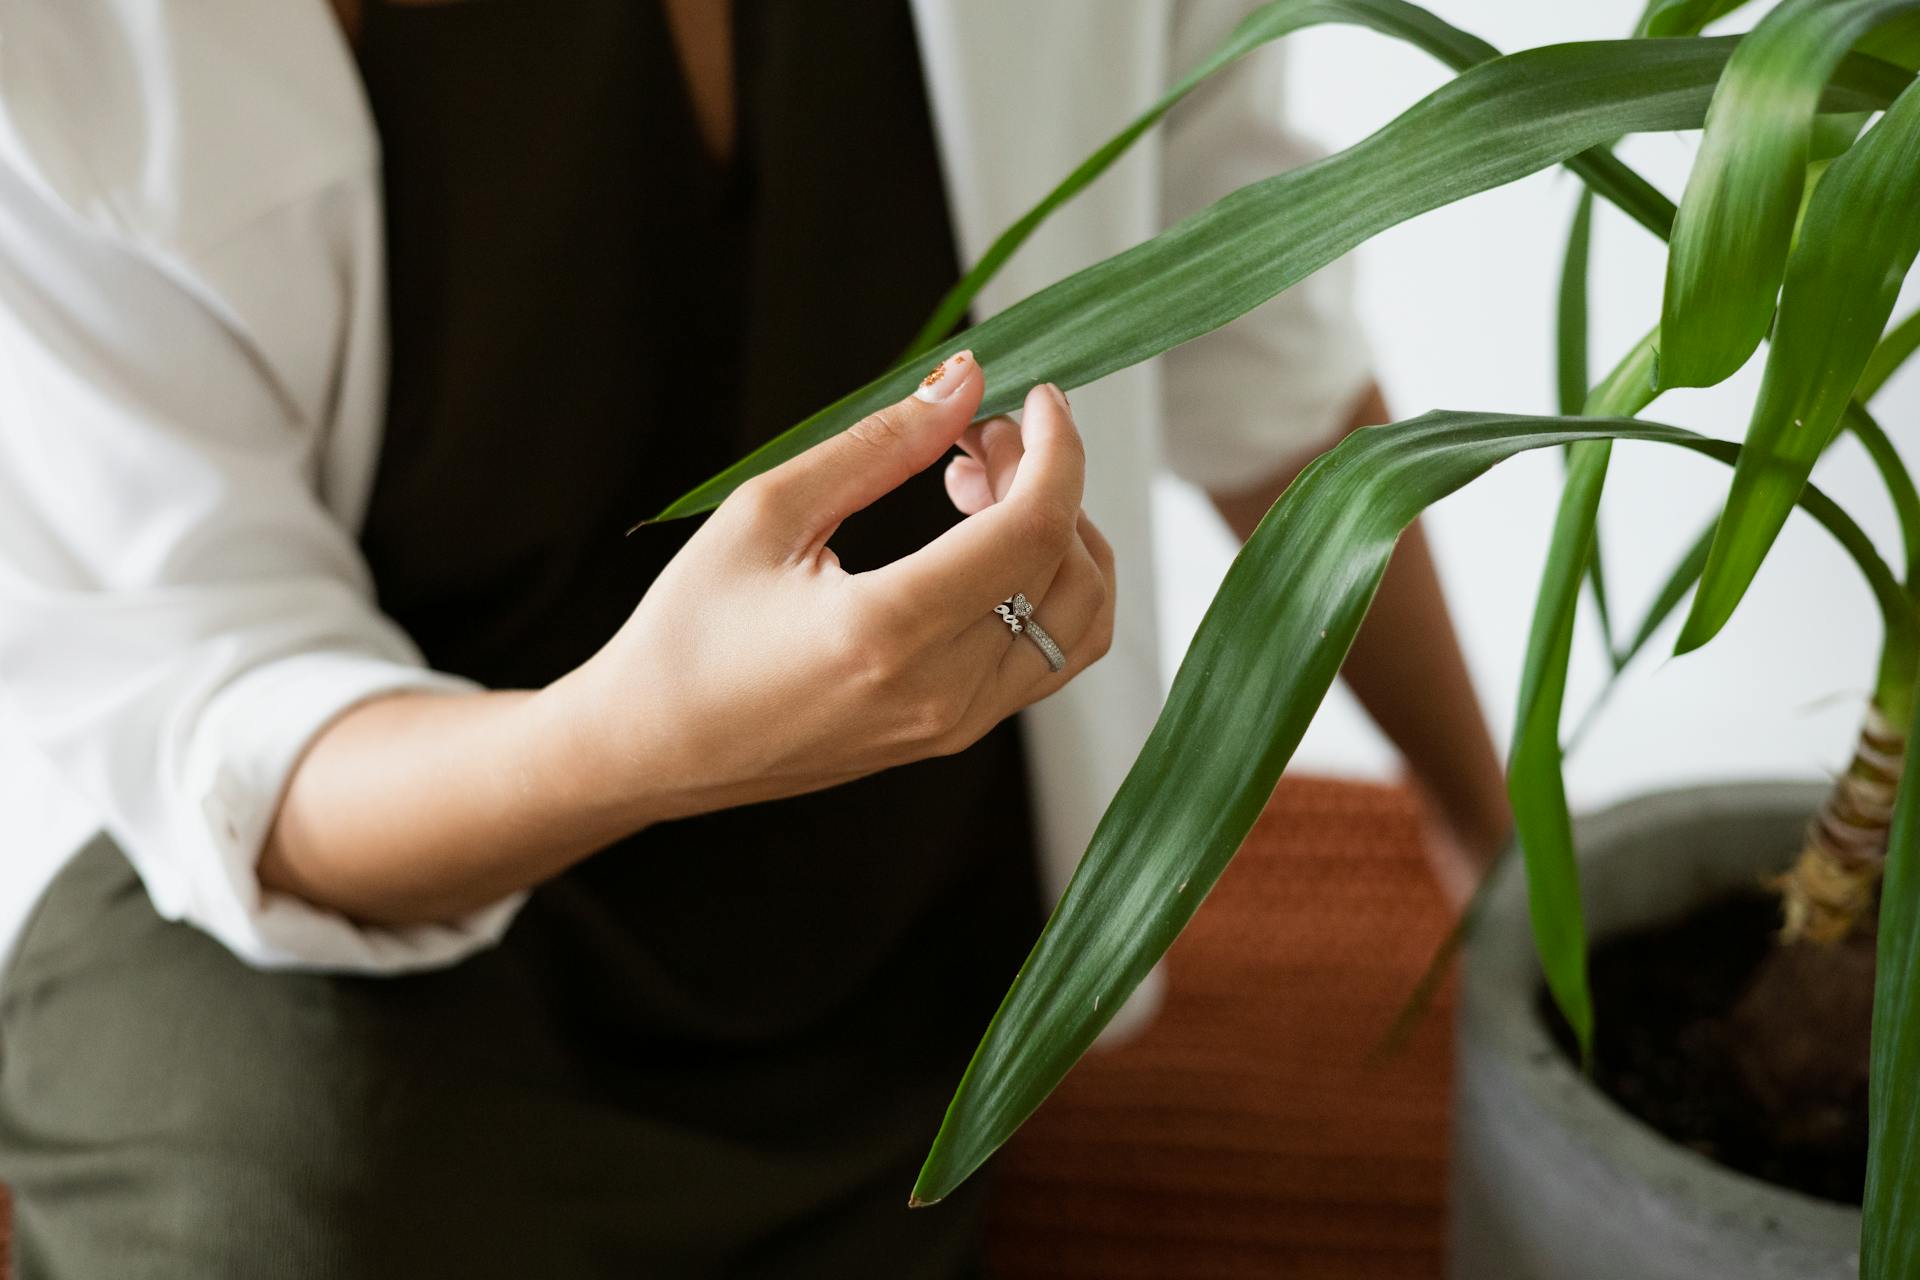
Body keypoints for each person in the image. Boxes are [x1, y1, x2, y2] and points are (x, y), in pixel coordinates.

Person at [0, 1, 1508, 1275]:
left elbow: (1251, 308)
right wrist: (632, 747)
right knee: (292, 1201)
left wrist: (1484, 825)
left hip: (883, 917)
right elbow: (218, 708)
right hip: (305, 918)